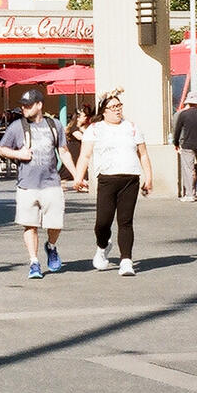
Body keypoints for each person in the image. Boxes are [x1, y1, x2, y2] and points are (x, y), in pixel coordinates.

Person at [0, 88, 79, 280]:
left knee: (56, 223)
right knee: (29, 225)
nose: (24, 108)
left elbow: (63, 151)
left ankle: (51, 246)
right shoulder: (17, 126)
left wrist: (77, 176)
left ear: (39, 105)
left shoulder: (54, 125)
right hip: (27, 185)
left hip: (52, 183)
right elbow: (2, 148)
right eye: (23, 105)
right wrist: (19, 154)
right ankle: (34, 262)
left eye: (28, 105)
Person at [71, 88, 153, 277]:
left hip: (130, 178)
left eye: (119, 106)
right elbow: (85, 155)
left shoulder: (131, 127)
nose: (117, 110)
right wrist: (78, 177)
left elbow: (143, 154)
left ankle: (126, 261)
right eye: (113, 107)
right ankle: (102, 246)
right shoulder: (95, 129)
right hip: (107, 179)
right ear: (104, 111)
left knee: (125, 221)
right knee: (103, 222)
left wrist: (148, 178)